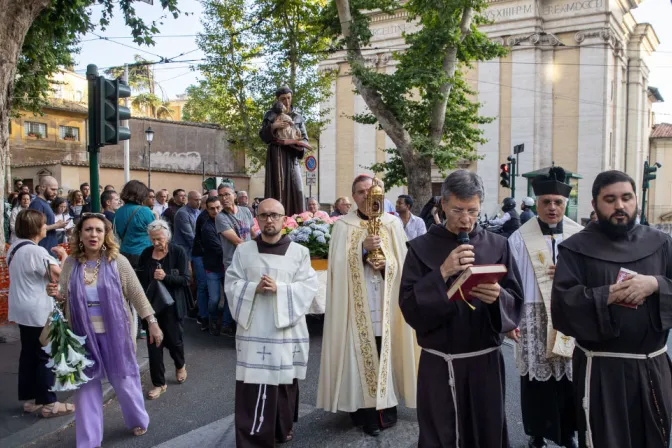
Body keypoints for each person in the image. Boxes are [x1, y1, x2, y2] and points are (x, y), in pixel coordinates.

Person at [400, 169, 523, 448]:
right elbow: (408, 307)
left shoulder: (498, 245)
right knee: (440, 434)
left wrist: (498, 297)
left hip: (485, 362)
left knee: (486, 431)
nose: (466, 219)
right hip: (440, 362)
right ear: (442, 204)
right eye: (457, 210)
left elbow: (515, 299)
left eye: (473, 211)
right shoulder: (420, 249)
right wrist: (442, 272)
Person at [551, 170, 672, 448]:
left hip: (652, 366)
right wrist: (606, 295)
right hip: (602, 371)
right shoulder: (576, 248)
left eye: (626, 198)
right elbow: (561, 306)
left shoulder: (661, 243)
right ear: (595, 204)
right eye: (610, 199)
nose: (620, 206)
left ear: (635, 201)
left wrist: (655, 284)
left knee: (653, 438)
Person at [46, 213, 163, 446]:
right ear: (79, 234)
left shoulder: (117, 261)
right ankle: (89, 440)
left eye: (99, 230)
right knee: (86, 388)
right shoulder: (70, 263)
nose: (93, 235)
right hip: (81, 335)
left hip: (116, 334)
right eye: (88, 230)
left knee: (125, 380)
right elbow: (64, 299)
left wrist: (152, 322)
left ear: (106, 235)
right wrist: (56, 294)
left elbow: (137, 294)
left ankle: (138, 419)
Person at [317, 174, 419, 437]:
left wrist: (388, 264)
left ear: (382, 194)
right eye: (361, 192)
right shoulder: (344, 226)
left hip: (386, 302)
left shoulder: (392, 224)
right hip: (356, 306)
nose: (367, 196)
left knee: (385, 347)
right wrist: (360, 251)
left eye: (372, 191)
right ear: (354, 197)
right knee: (360, 352)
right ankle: (363, 411)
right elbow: (336, 270)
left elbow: (405, 265)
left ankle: (387, 409)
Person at [225, 199, 318, 447]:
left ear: (283, 219)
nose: (269, 220)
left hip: (285, 330)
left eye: (274, 215)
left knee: (284, 382)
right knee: (252, 384)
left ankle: (281, 428)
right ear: (257, 218)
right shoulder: (244, 251)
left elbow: (308, 288)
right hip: (254, 328)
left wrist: (281, 289)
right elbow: (231, 284)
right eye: (264, 215)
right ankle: (251, 438)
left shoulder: (300, 253)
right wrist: (253, 288)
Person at [507, 167, 580, 448]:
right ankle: (536, 432)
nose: (552, 207)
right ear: (536, 204)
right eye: (546, 202)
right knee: (535, 380)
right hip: (532, 317)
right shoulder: (518, 238)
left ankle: (568, 433)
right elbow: (511, 281)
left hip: (567, 317)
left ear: (565, 204)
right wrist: (511, 319)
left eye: (557, 202)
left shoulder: (578, 236)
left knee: (567, 379)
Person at [9, 210, 74, 418]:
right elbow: (59, 276)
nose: (46, 227)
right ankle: (48, 402)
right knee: (45, 354)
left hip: (21, 308)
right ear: (37, 228)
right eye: (44, 224)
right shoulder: (37, 253)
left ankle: (31, 399)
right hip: (38, 309)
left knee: (29, 353)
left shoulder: (15, 249)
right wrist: (64, 257)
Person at [137, 220, 190, 400]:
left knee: (174, 341)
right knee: (154, 345)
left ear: (167, 236)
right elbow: (139, 279)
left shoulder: (178, 252)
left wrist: (166, 277)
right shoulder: (146, 254)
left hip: (172, 306)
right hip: (152, 306)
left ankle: (180, 364)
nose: (156, 243)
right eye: (152, 239)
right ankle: (159, 383)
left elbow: (185, 280)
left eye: (159, 239)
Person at [259, 86, 307, 216]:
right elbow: (263, 135)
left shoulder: (297, 117)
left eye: (288, 98)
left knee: (297, 190)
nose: (286, 101)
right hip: (277, 155)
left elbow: (305, 139)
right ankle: (277, 218)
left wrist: (299, 144)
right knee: (278, 188)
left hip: (292, 157)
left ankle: (297, 220)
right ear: (278, 99)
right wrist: (273, 126)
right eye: (283, 98)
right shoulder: (271, 114)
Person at [215, 184, 254, 336]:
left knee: (249, 296)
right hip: (233, 263)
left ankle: (247, 329)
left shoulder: (245, 211)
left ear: (234, 195)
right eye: (220, 196)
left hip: (250, 261)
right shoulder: (221, 217)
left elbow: (253, 232)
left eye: (226, 194)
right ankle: (237, 331)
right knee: (237, 297)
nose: (224, 199)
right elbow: (238, 241)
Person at [193, 196, 220, 331]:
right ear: (206, 208)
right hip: (203, 256)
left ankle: (222, 322)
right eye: (212, 208)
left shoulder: (227, 217)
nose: (216, 211)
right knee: (203, 286)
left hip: (218, 260)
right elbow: (216, 246)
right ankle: (204, 317)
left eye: (218, 207)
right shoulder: (205, 220)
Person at [114, 180, 155, 269]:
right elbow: (156, 232)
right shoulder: (145, 211)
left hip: (124, 252)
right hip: (142, 253)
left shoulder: (118, 211)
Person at [29, 176, 67, 252]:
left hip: (49, 248)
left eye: (56, 190)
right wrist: (57, 225)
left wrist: (56, 224)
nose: (55, 193)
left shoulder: (44, 203)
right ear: (43, 187)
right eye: (52, 189)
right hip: (43, 248)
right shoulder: (37, 203)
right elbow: (35, 227)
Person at [173, 190, 202, 259]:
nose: (199, 202)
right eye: (196, 200)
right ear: (189, 200)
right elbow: (188, 235)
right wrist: (200, 249)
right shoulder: (182, 213)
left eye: (200, 200)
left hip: (195, 249)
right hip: (185, 250)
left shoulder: (198, 212)